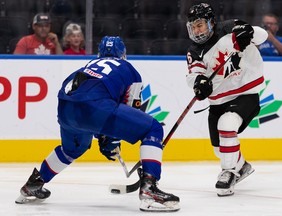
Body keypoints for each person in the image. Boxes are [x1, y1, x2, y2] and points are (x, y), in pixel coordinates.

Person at [15, 36, 180, 212]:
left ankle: (34, 183)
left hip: (66, 108)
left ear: (100, 54)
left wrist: (105, 135)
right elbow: (129, 110)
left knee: (70, 150)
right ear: (123, 54)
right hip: (95, 108)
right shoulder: (128, 68)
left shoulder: (89, 65)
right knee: (152, 128)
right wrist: (111, 140)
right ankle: (150, 187)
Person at [185, 3, 267, 197]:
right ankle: (242, 167)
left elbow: (261, 35)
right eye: (193, 26)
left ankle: (228, 172)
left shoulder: (231, 28)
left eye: (200, 25)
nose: (196, 31)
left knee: (227, 124)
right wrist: (199, 82)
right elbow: (192, 75)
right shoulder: (194, 50)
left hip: (245, 92)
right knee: (219, 149)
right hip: (217, 102)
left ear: (211, 22)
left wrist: (249, 32)